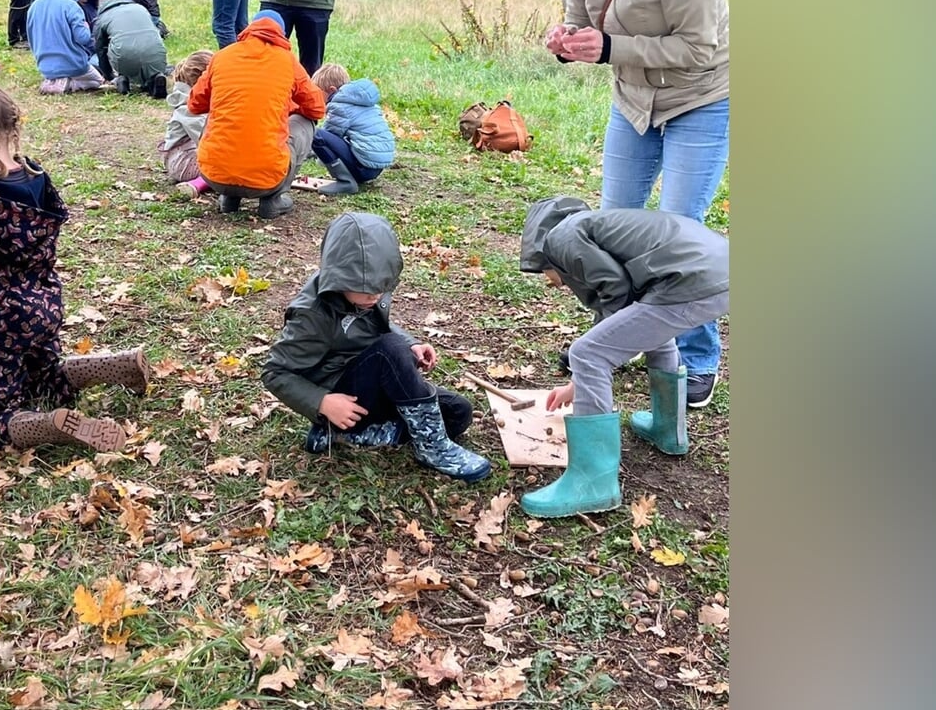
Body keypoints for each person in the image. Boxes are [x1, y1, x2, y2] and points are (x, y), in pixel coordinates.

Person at [540, 0, 730, 408]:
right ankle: (620, 340)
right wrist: (567, 41)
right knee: (612, 225)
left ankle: (697, 361)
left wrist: (608, 48)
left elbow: (700, 49)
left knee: (677, 233)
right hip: (633, 99)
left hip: (702, 97)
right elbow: (580, 19)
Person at [0, 82, 150, 450]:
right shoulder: (37, 177)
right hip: (42, 307)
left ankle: (49, 426)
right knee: (43, 376)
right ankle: (118, 365)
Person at [514, 196, 729, 517]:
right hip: (719, 270)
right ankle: (668, 430)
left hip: (693, 281)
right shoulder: (591, 227)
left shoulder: (559, 238)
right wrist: (578, 384)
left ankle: (593, 483)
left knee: (587, 352)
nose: (549, 282)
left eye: (543, 273)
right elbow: (627, 302)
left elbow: (614, 291)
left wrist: (594, 361)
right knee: (654, 330)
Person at [262, 212, 489, 481]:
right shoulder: (312, 315)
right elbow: (275, 372)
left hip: (371, 385)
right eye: (366, 289)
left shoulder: (365, 294)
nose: (375, 295)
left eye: (382, 288)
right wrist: (322, 403)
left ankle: (347, 436)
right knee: (390, 349)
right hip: (341, 398)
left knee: (457, 412)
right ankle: (431, 447)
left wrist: (411, 344)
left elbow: (374, 327)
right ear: (340, 276)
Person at [188, 10, 326, 219]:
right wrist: (286, 107)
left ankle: (229, 196)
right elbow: (317, 109)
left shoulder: (222, 56)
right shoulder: (287, 61)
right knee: (306, 122)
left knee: (215, 115)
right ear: (281, 33)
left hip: (214, 176)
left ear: (250, 29)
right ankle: (274, 199)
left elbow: (194, 104)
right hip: (266, 182)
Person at [308, 62, 395, 196]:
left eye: (319, 94)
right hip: (375, 168)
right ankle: (350, 177)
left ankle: (345, 182)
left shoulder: (339, 105)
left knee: (315, 134)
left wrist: (317, 155)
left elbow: (329, 135)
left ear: (331, 90)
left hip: (363, 168)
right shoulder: (361, 101)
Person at [25, 0, 105, 94]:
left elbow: (30, 37)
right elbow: (83, 38)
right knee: (97, 80)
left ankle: (53, 81)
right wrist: (86, 26)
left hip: (45, 67)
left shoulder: (34, 6)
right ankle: (69, 84)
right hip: (74, 65)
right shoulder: (71, 6)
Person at [91, 0, 169, 98]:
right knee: (148, 54)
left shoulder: (102, 19)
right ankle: (156, 76)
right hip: (157, 55)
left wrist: (108, 74)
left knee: (112, 45)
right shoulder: (141, 8)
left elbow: (100, 49)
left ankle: (123, 78)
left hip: (125, 57)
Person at [157, 51, 214, 197]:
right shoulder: (188, 108)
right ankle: (200, 183)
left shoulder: (187, 101)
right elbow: (206, 139)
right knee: (227, 167)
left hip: (186, 156)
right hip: (182, 161)